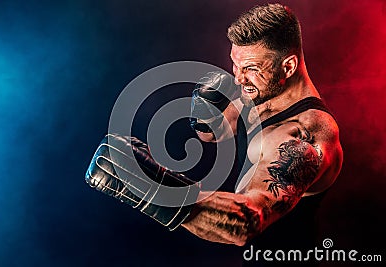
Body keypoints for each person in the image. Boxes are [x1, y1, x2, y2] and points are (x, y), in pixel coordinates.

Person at [85, 3, 343, 266]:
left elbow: (247, 222)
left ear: (288, 67)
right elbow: (213, 134)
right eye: (235, 65)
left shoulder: (303, 135)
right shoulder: (260, 89)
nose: (239, 79)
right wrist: (204, 115)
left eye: (251, 68)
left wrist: (153, 188)